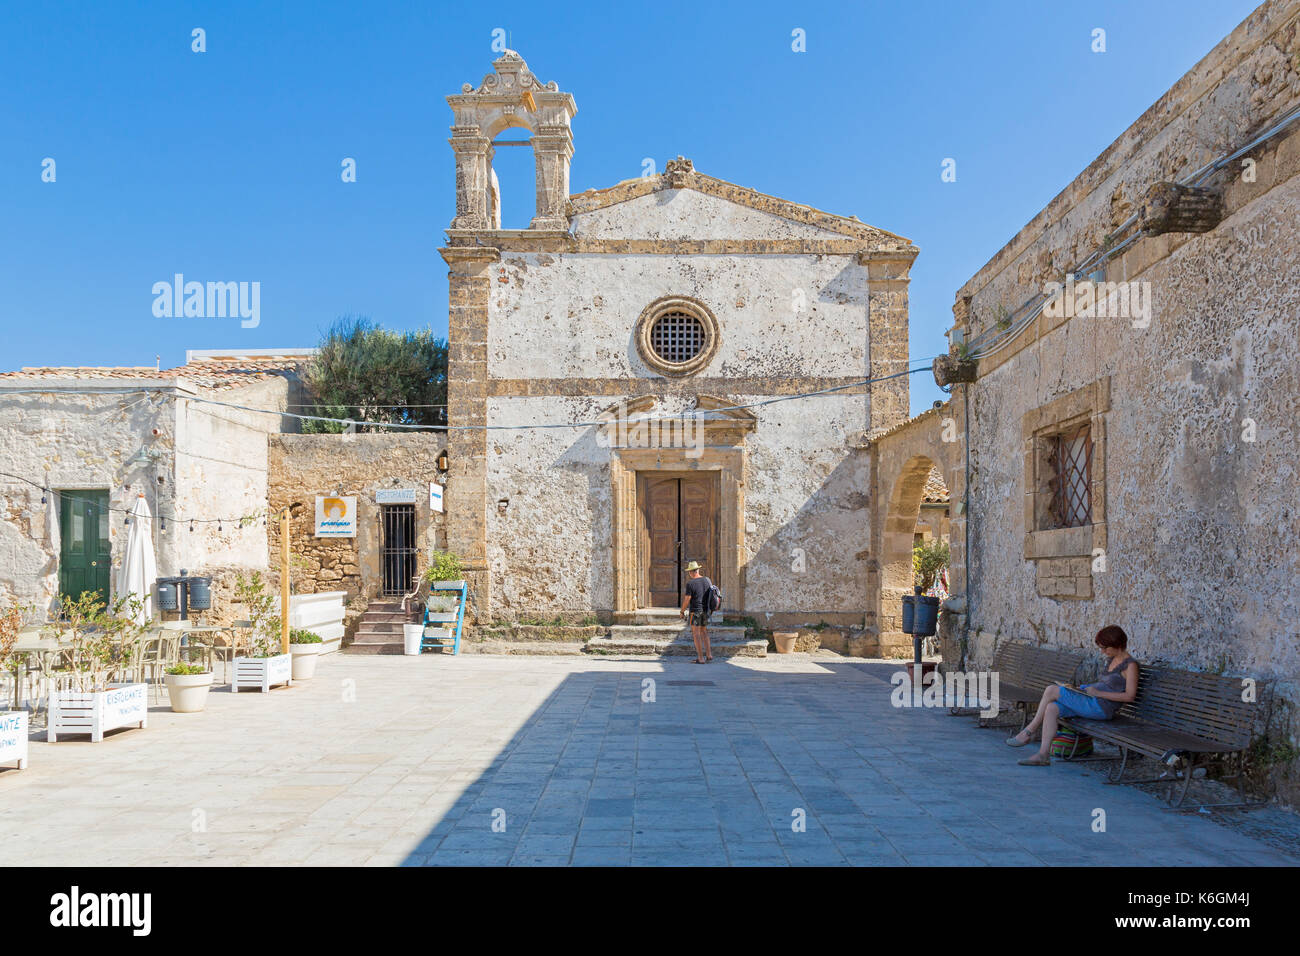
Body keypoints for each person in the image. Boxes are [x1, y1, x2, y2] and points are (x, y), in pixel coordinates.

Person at [1007, 625, 1138, 766]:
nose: (1102, 651)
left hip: (1102, 708)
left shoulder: (1130, 666)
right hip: (1093, 700)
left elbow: (1129, 696)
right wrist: (1084, 688)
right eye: (1101, 648)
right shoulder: (1112, 659)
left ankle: (1030, 731)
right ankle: (1043, 755)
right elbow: (1107, 684)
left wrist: (1098, 693)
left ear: (1117, 644)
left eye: (1105, 648)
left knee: (1051, 690)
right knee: (1052, 708)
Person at [679, 560, 713, 664]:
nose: (689, 573)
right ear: (698, 570)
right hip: (705, 611)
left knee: (696, 634)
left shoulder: (691, 583)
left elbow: (687, 599)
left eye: (689, 572)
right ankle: (709, 655)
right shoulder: (707, 580)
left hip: (696, 611)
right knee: (704, 632)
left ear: (691, 572)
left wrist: (682, 611)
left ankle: (701, 658)